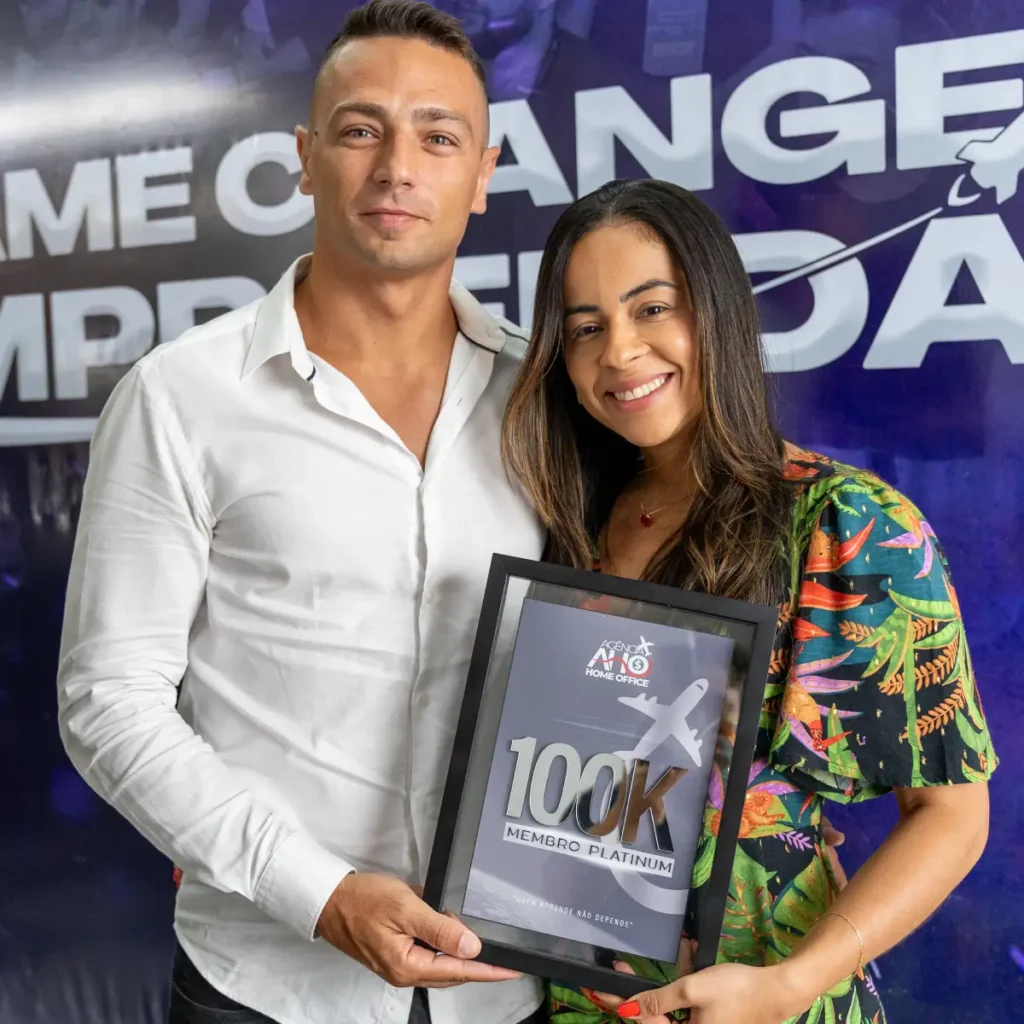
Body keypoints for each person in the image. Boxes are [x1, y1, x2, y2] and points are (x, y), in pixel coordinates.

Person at [56, 3, 548, 1023]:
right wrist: (318, 894)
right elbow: (109, 701)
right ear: (305, 158)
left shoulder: (544, 396)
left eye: (438, 137)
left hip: (510, 986)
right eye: (362, 129)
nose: (397, 168)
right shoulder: (181, 397)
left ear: (483, 172)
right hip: (267, 985)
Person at [502, 178, 996, 1024]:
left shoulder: (846, 524)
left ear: (718, 311)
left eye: (652, 308)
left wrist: (789, 984)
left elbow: (951, 816)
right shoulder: (565, 522)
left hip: (762, 1002)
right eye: (586, 327)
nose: (619, 351)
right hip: (576, 1004)